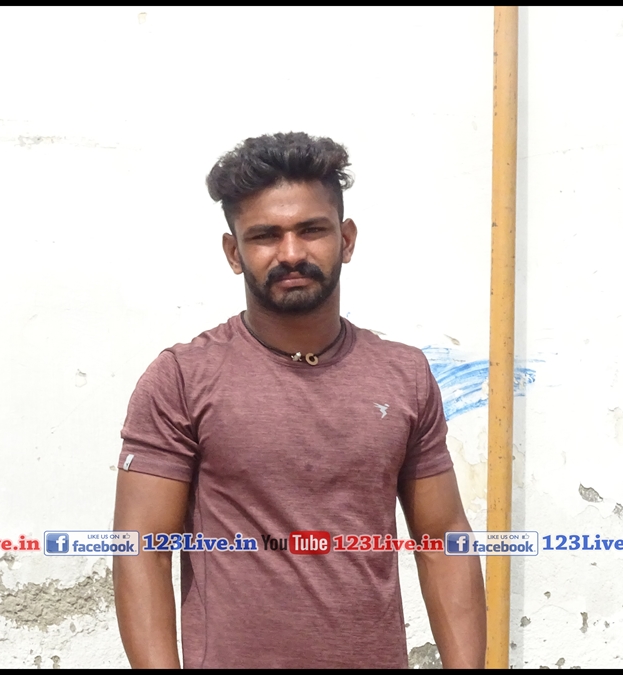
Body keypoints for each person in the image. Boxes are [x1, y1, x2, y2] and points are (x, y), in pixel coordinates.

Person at [112, 132, 487, 668]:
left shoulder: (403, 375)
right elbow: (141, 551)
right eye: (265, 235)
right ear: (234, 253)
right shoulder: (182, 379)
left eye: (311, 230)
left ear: (347, 240)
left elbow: (443, 538)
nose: (291, 253)